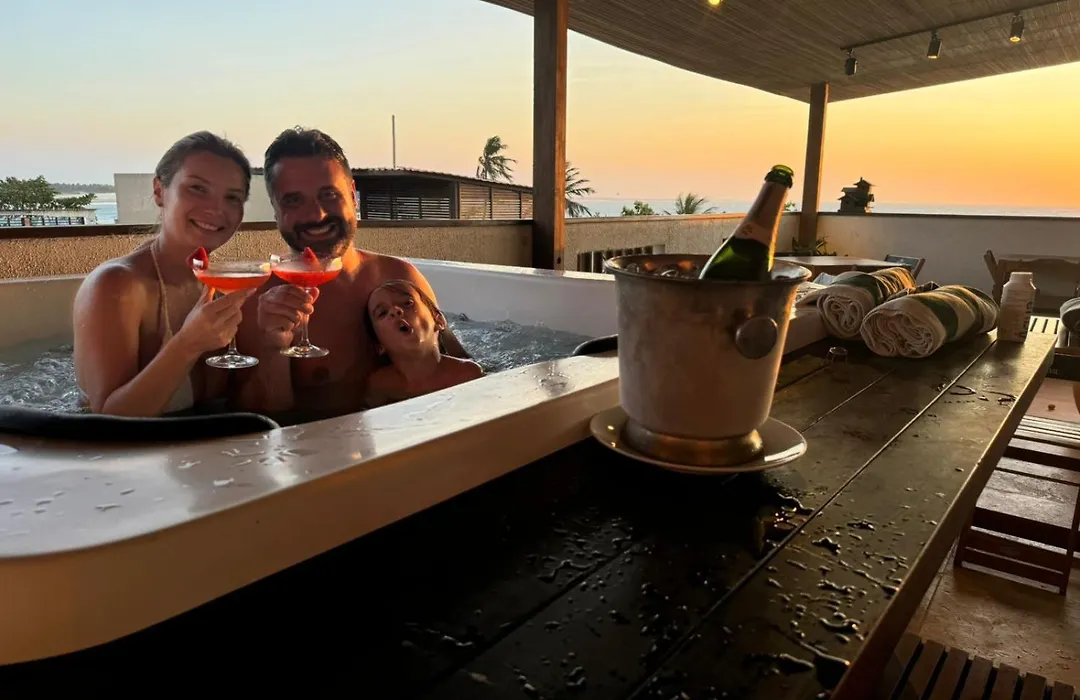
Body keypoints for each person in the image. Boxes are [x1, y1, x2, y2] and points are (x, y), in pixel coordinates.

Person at [234, 127, 469, 419]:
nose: (316, 214)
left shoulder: (400, 278)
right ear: (275, 209)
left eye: (329, 194)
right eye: (293, 200)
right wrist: (273, 346)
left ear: (353, 196)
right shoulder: (255, 301)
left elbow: (463, 369)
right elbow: (263, 424)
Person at [73, 131, 256, 417]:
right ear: (159, 191)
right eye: (197, 188)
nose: (216, 209)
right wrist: (187, 344)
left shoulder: (219, 287)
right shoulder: (115, 285)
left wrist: (274, 343)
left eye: (232, 197)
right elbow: (108, 421)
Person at [364, 279, 483, 407]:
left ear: (439, 321)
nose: (395, 310)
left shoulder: (466, 374)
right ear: (379, 345)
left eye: (407, 303)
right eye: (382, 313)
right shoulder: (381, 386)